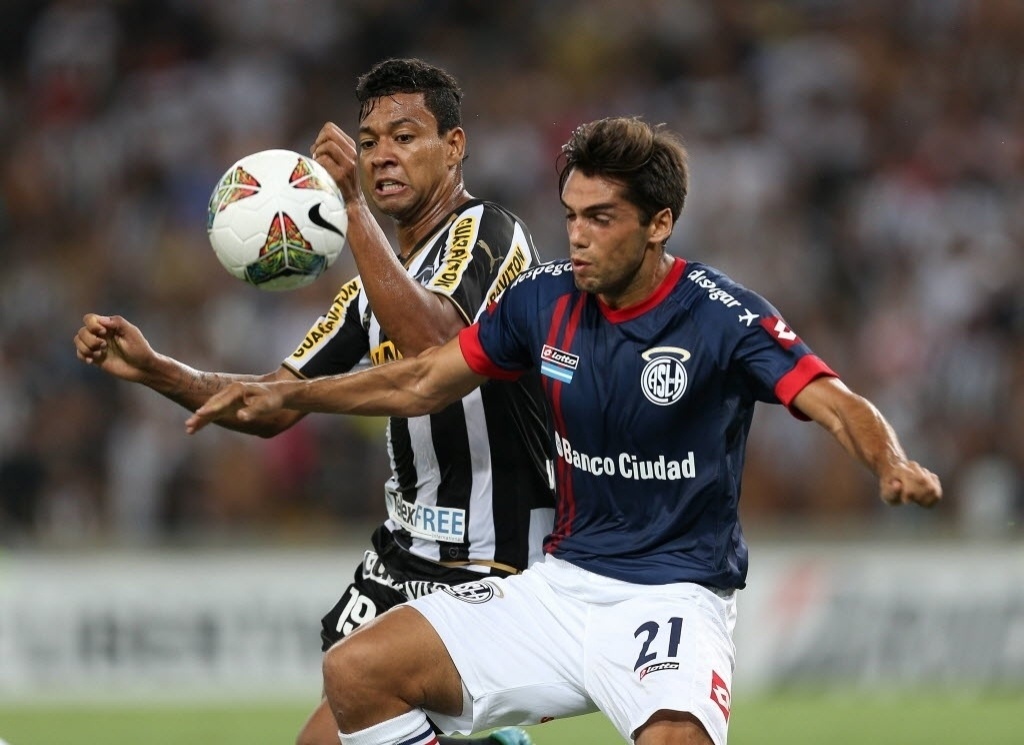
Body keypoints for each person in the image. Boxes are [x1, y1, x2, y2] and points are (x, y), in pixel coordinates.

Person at [186, 115, 943, 745]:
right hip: (560, 587)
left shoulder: (721, 316)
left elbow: (834, 398)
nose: (577, 237)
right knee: (357, 672)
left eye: (600, 219)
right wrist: (295, 396)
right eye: (572, 216)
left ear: (659, 224)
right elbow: (421, 379)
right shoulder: (542, 299)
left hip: (673, 596)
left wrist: (891, 460)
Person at [74, 58, 552, 745]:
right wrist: (155, 369)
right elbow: (273, 402)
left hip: (495, 559)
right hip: (409, 552)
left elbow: (435, 348)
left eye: (406, 136)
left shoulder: (493, 235)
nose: (383, 154)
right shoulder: (368, 293)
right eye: (370, 140)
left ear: (455, 147)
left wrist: (352, 207)